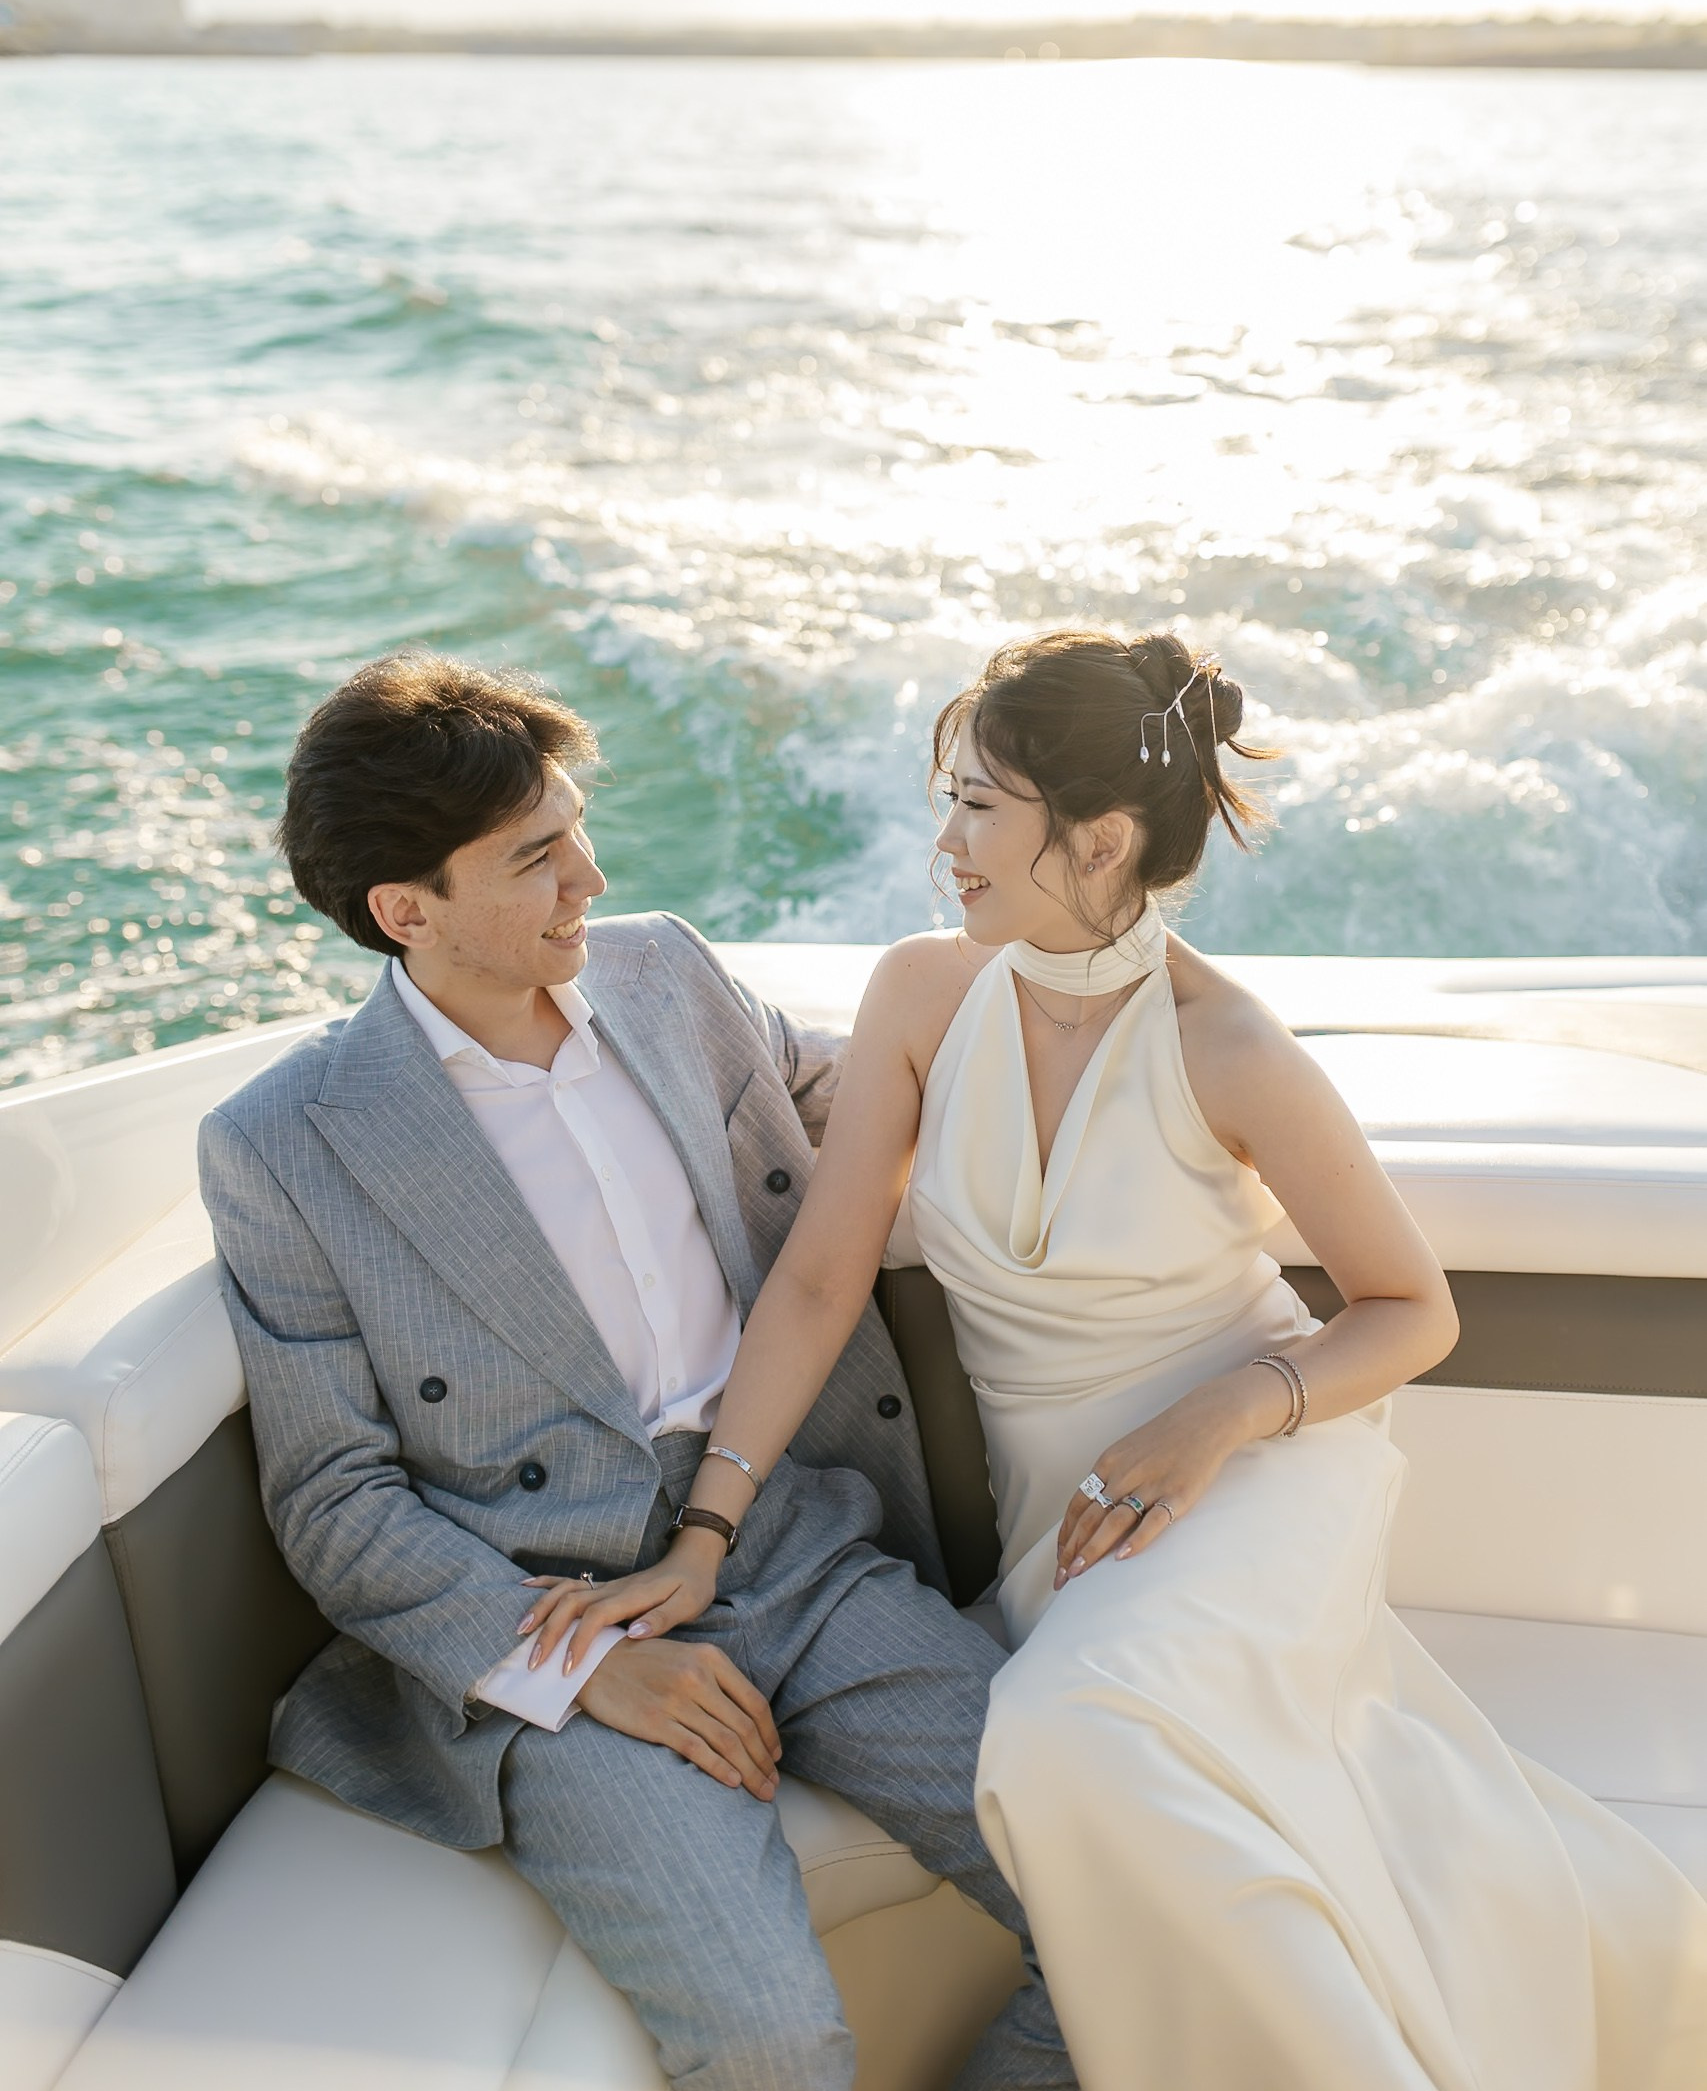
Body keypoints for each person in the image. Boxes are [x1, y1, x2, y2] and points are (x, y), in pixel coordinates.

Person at [537, 627, 1707, 2091]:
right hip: (1071, 1516)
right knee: (1111, 1756)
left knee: (1063, 1731)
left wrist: (1219, 1419)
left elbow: (1413, 1307)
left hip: (1253, 1472)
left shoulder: (1231, 1048)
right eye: (950, 802)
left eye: (980, 809)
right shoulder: (925, 995)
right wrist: (707, 1527)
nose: (944, 845)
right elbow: (823, 1278)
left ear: (1096, 841)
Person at [198, 650, 1073, 2091]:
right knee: (771, 2039)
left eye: (578, 829)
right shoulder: (284, 1143)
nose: (590, 880)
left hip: (796, 1540)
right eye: (535, 858)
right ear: (407, 912)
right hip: (557, 1608)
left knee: (1115, 1875)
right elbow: (334, 1500)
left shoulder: (666, 971)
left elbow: (848, 1092)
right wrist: (594, 1670)